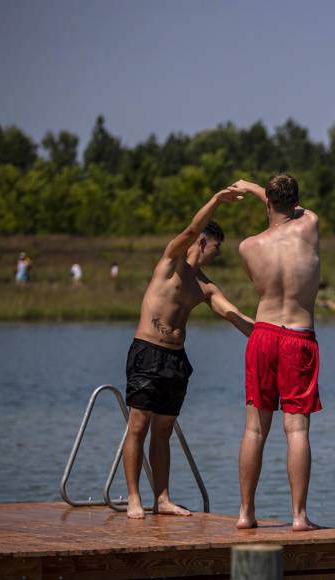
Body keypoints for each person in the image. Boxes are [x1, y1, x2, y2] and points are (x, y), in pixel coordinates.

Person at [123, 187, 255, 519]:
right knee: (138, 425)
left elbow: (233, 315)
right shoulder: (171, 262)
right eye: (215, 249)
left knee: (163, 431)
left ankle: (162, 498)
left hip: (175, 361)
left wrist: (273, 333)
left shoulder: (205, 286)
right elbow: (190, 230)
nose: (216, 255)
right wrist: (215, 201)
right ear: (202, 244)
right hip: (147, 352)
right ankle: (134, 498)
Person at [227, 176, 322, 531]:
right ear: (296, 201)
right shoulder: (309, 225)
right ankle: (298, 517)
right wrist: (255, 189)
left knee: (254, 429)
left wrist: (253, 190)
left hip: (263, 334)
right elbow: (299, 212)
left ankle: (245, 513)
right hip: (298, 335)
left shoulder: (248, 247)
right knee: (296, 429)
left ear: (267, 202)